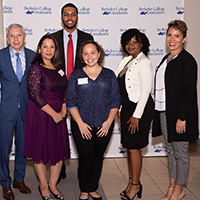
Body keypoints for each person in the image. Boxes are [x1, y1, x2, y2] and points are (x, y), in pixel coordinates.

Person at [66, 40, 121, 200]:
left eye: (93, 52)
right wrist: (81, 124)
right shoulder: (76, 75)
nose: (89, 56)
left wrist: (109, 122)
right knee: (85, 158)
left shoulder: (109, 74)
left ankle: (93, 187)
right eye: (85, 53)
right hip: (82, 126)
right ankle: (84, 189)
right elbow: (71, 101)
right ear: (82, 57)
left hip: (105, 125)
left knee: (98, 158)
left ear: (99, 54)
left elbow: (115, 100)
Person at [152, 20, 199, 200]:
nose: (172, 39)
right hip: (164, 112)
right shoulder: (166, 58)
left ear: (184, 39)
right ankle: (172, 186)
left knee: (181, 153)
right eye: (170, 35)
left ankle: (179, 190)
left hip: (179, 116)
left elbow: (189, 92)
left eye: (177, 36)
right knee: (171, 151)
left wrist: (182, 117)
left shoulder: (187, 61)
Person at [51, 2, 94, 182]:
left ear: (77, 16)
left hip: (81, 94)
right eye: (66, 14)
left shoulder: (87, 37)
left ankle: (84, 173)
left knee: (82, 133)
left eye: (73, 14)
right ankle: (58, 171)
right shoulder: (52, 38)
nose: (70, 18)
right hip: (57, 93)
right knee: (57, 134)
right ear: (62, 18)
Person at [23, 34, 70, 200]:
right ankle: (43, 186)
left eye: (52, 47)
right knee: (41, 151)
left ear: (55, 50)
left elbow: (65, 90)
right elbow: (35, 95)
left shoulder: (59, 68)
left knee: (58, 151)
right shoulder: (35, 68)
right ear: (39, 49)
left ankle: (53, 185)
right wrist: (54, 114)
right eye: (45, 47)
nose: (49, 50)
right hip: (42, 113)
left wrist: (63, 109)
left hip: (59, 113)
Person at [115, 28, 154, 200]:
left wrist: (136, 116)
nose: (131, 45)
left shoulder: (144, 63)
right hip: (127, 109)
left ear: (142, 44)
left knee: (134, 148)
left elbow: (145, 91)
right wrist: (121, 110)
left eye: (135, 41)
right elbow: (121, 89)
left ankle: (136, 186)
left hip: (140, 110)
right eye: (128, 42)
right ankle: (132, 183)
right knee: (129, 148)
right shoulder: (126, 61)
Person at [0, 23, 35, 200]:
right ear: (7, 38)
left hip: (26, 110)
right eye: (11, 36)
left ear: (24, 36)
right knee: (3, 148)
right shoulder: (0, 56)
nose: (15, 39)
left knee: (22, 147)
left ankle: (18, 180)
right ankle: (5, 182)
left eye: (18, 35)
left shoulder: (33, 56)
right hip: (5, 111)